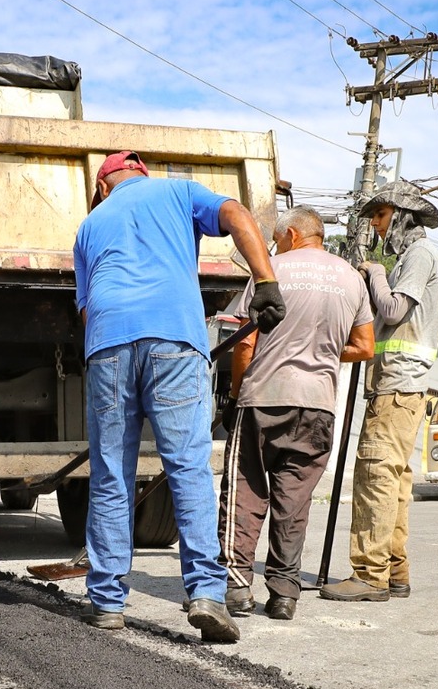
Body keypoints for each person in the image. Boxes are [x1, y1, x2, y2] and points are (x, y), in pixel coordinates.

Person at [74, 150, 283, 643]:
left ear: (103, 187)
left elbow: (85, 311)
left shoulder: (89, 225)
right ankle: (206, 594)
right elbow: (236, 214)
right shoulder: (178, 190)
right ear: (141, 174)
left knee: (111, 474)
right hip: (174, 340)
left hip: (107, 345)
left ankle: (106, 601)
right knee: (187, 467)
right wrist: (265, 281)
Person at [218, 206, 374, 621]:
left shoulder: (269, 270)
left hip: (264, 398)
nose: (273, 246)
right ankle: (284, 594)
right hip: (317, 404)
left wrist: (235, 394)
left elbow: (245, 343)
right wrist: (320, 350)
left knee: (245, 490)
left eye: (275, 239)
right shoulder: (351, 278)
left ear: (290, 235)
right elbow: (365, 347)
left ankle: (236, 586)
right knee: (294, 502)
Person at [321, 181, 438, 603]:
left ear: (402, 216)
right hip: (396, 389)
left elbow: (392, 310)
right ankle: (393, 571)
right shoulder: (411, 259)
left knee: (375, 477)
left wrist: (373, 273)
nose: (375, 224)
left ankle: (370, 575)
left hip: (397, 388)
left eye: (380, 215)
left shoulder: (420, 254)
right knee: (393, 483)